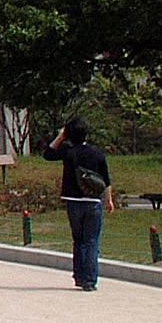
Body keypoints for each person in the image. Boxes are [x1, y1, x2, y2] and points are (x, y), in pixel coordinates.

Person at [43, 117, 113, 291]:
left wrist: (60, 137)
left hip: (73, 202)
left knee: (78, 240)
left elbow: (48, 154)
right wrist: (109, 200)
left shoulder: (68, 152)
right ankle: (90, 280)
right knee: (91, 241)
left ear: (68, 135)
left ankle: (80, 277)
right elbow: (106, 179)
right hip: (93, 201)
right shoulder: (97, 154)